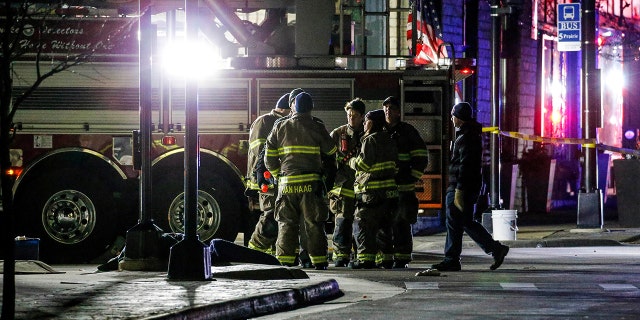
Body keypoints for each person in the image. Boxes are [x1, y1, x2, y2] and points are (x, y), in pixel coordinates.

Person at [431, 102, 509, 271]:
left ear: (458, 117)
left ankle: (453, 258)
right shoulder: (470, 135)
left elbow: (465, 166)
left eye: (453, 116)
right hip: (467, 187)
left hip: (461, 188)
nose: (452, 119)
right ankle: (494, 249)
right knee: (464, 221)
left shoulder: (466, 138)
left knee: (455, 221)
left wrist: (459, 190)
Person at [264, 92, 337, 270]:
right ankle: (319, 261)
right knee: (313, 224)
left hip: (286, 185)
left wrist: (278, 176)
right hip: (311, 186)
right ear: (311, 108)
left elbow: (269, 157)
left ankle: (286, 261)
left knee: (287, 224)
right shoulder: (317, 126)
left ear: (293, 107)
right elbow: (331, 150)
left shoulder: (280, 126)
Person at [382, 96, 428, 268]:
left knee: (401, 222)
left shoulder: (408, 132)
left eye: (391, 107)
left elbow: (421, 157)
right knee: (384, 223)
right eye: (385, 107)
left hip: (403, 187)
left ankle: (402, 258)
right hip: (384, 187)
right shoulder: (379, 130)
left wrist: (411, 177)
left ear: (399, 112)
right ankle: (385, 258)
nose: (388, 110)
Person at [348, 109, 398, 269]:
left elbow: (364, 164)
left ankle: (365, 259)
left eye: (367, 120)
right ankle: (387, 259)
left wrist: (351, 161)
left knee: (364, 226)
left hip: (371, 193)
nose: (364, 123)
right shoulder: (388, 139)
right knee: (385, 227)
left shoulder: (370, 140)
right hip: (388, 193)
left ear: (374, 122)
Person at [246, 93, 291, 254]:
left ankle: (271, 253)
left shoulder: (281, 122)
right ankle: (254, 251)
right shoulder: (265, 121)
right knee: (271, 216)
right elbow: (261, 151)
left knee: (280, 215)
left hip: (278, 178)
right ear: (286, 109)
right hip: (267, 179)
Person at [328, 98, 366, 267]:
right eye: (349, 114)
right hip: (342, 187)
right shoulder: (337, 134)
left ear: (362, 116)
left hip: (363, 187)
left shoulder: (368, 134)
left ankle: (361, 255)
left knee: (362, 223)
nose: (351, 118)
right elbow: (327, 159)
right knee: (342, 221)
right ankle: (341, 255)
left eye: (355, 115)